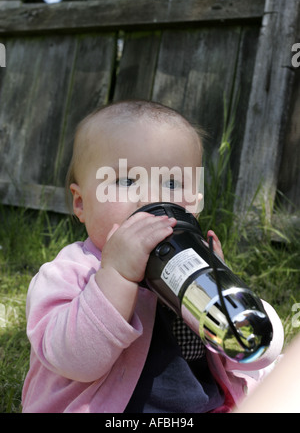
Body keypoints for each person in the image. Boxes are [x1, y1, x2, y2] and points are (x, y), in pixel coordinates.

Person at [22, 100, 284, 413]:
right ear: (81, 203)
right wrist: (116, 276)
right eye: (125, 181)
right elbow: (73, 360)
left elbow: (258, 354)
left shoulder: (196, 266)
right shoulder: (69, 274)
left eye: (172, 183)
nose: (151, 198)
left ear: (195, 204)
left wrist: (227, 289)